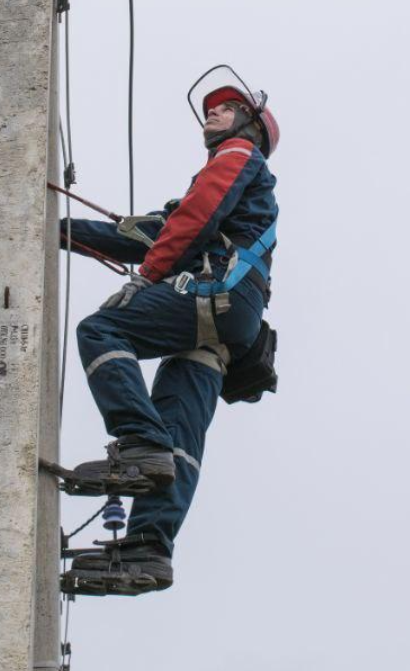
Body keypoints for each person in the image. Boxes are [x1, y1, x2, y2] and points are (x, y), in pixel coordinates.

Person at [57, 68, 280, 596]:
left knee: (102, 329)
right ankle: (147, 550)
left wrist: (151, 276)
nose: (214, 112)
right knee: (181, 436)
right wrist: (61, 231)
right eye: (212, 108)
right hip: (228, 323)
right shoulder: (236, 186)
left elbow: (192, 221)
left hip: (217, 292)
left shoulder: (237, 158)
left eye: (227, 108)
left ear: (250, 126)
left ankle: (139, 440)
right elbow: (155, 231)